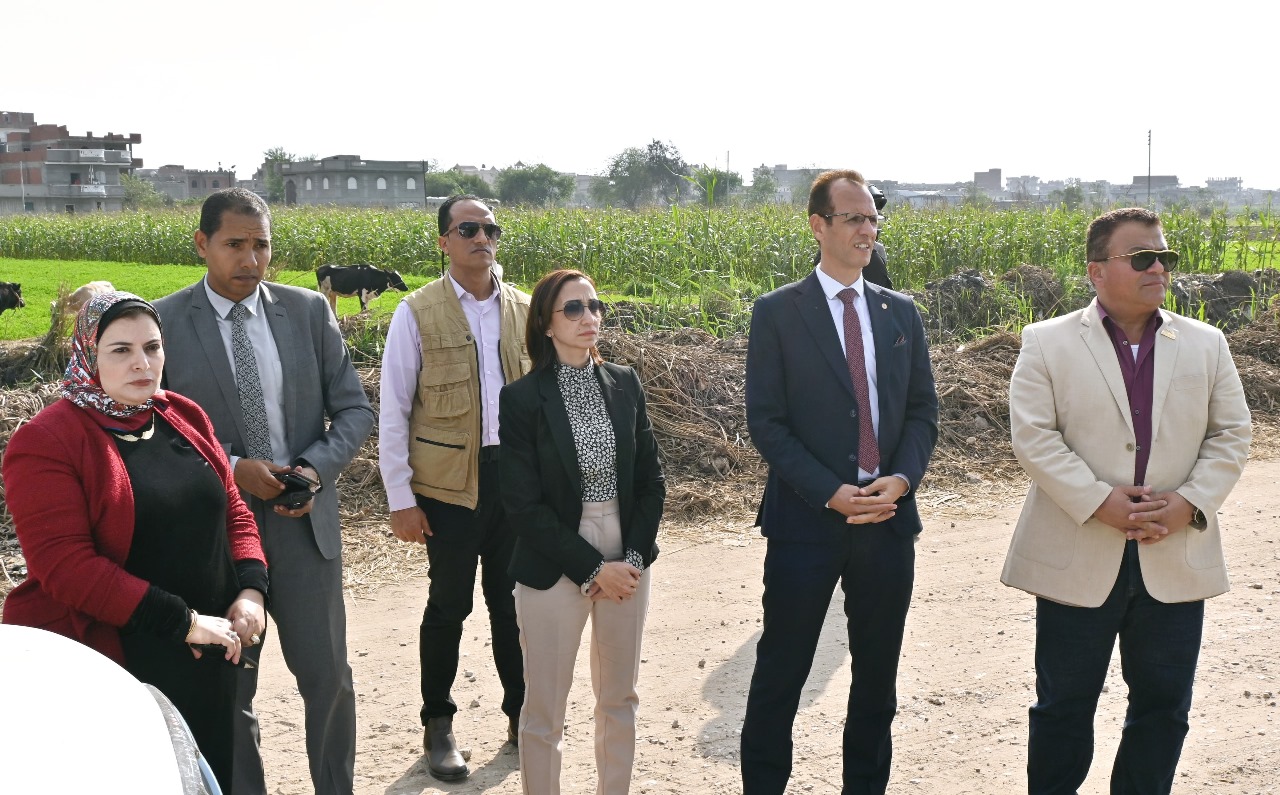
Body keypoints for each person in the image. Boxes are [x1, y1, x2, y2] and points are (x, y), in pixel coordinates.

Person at [1001, 207, 1251, 794]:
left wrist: (1189, 502)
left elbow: (1231, 435)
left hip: (1173, 551)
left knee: (1164, 708)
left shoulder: (1206, 343)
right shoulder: (1047, 342)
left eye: (1165, 257)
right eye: (1142, 258)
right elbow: (1034, 437)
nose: (1158, 268)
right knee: (1063, 709)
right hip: (1077, 552)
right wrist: (1097, 502)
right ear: (1097, 271)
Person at [2, 291, 268, 792]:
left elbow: (233, 509)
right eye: (121, 350)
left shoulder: (182, 414)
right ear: (88, 354)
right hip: (112, 665)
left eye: (152, 347)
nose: (142, 363)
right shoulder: (48, 440)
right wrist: (182, 622)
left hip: (209, 650)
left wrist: (252, 590)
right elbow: (65, 567)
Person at [155, 188, 374, 795]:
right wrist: (232, 467)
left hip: (303, 527)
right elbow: (156, 428)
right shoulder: (164, 323)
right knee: (231, 688)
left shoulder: (307, 312)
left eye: (261, 245)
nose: (250, 259)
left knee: (328, 679)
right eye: (235, 244)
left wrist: (312, 470)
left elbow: (354, 410)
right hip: (217, 538)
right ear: (202, 244)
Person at [741, 169, 939, 795]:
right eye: (853, 218)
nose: (867, 229)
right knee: (781, 674)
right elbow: (766, 422)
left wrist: (901, 478)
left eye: (872, 218)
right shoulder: (778, 312)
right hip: (806, 523)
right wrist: (830, 491)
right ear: (818, 225)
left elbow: (922, 412)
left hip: (887, 521)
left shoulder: (900, 312)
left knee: (877, 682)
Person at [378, 194, 530, 780]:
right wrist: (401, 499)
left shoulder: (525, 308)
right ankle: (438, 725)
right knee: (448, 606)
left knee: (512, 605)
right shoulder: (416, 312)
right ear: (444, 242)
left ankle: (522, 716)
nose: (482, 238)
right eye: (468, 229)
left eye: (490, 228)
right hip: (446, 487)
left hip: (514, 483)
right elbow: (395, 410)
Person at [498, 269, 665, 794]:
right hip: (553, 557)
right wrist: (592, 569)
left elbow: (651, 482)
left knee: (620, 698)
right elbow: (522, 506)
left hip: (626, 548)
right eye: (573, 308)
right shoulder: (522, 398)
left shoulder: (625, 382)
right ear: (546, 323)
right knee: (544, 709)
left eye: (594, 306)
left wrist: (630, 561)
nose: (588, 316)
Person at [812, 184, 893, 289]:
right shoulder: (871, 260)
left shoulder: (876, 253)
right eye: (855, 220)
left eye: (874, 220)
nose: (867, 229)